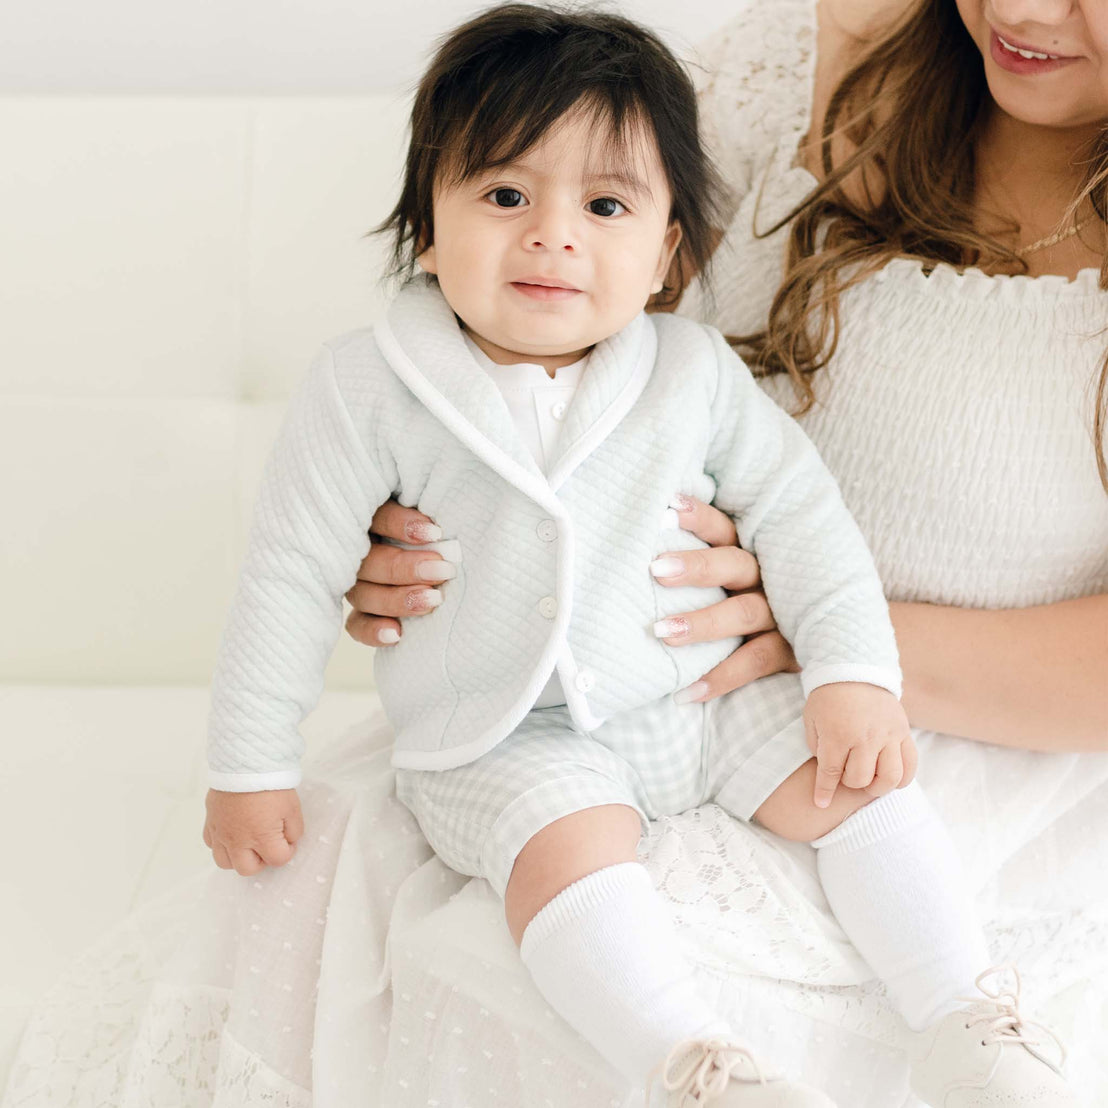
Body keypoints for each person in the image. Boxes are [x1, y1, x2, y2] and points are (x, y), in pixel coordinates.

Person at [200, 4, 1088, 1107]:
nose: (552, 235)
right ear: (427, 225)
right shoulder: (370, 385)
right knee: (564, 856)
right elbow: (289, 573)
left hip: (702, 689)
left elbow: (806, 521)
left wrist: (855, 675)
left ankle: (968, 1014)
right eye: (504, 196)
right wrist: (249, 764)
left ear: (666, 252)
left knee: (860, 784)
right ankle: (691, 1063)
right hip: (510, 728)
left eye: (604, 206)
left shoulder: (688, 370)